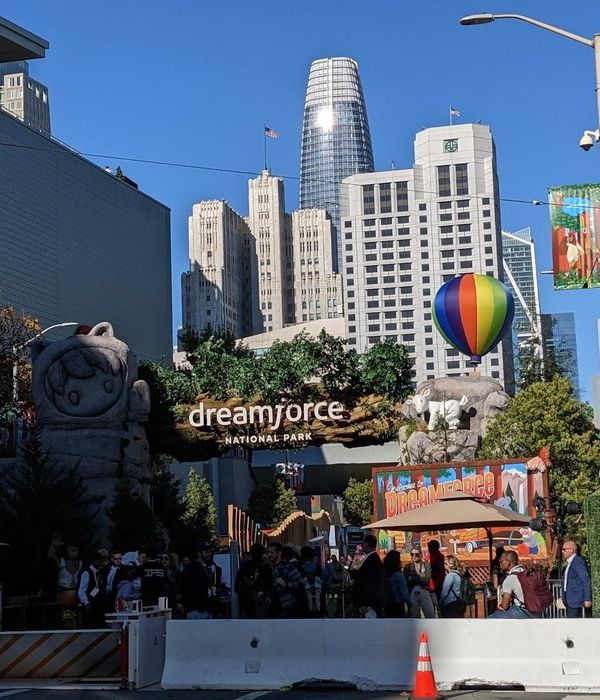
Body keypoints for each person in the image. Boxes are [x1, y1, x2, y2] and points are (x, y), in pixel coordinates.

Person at [488, 550, 540, 619]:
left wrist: (500, 605)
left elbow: (505, 606)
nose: (499, 563)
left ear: (508, 562)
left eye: (501, 561)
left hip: (522, 612)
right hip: (537, 611)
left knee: (489, 619)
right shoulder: (525, 573)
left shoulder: (510, 579)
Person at [181, 542, 222, 619]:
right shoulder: (192, 568)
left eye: (210, 551)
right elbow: (185, 587)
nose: (209, 554)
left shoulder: (212, 567)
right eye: (206, 552)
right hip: (196, 608)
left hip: (210, 608)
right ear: (199, 553)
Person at [266, 542, 304, 618]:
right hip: (276, 609)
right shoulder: (271, 568)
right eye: (268, 553)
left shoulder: (288, 567)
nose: (269, 555)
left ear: (279, 553)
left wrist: (286, 584)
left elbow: (301, 583)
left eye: (272, 553)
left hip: (288, 608)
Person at [352, 534, 385, 618]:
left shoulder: (372, 560)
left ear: (366, 544)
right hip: (371, 601)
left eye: (363, 543)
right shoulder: (371, 558)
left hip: (370, 603)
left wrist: (364, 603)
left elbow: (368, 583)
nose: (362, 545)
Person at [234, 543, 269, 618]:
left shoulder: (243, 568)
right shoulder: (266, 568)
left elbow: (236, 588)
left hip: (246, 606)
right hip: (263, 606)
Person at [77, 549, 109, 628]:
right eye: (99, 561)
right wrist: (86, 603)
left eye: (101, 561)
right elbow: (81, 591)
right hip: (89, 605)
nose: (100, 563)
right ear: (94, 561)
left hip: (98, 605)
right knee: (90, 626)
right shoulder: (87, 573)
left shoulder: (99, 572)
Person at [560, 541, 592, 618]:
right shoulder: (570, 563)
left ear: (571, 550)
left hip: (576, 600)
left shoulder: (577, 562)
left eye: (564, 549)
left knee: (574, 623)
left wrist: (587, 598)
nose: (562, 551)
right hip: (570, 600)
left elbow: (585, 579)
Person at [403, 546, 435, 619]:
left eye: (416, 554)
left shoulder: (426, 564)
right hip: (412, 592)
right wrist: (420, 576)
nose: (414, 556)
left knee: (430, 616)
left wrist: (412, 578)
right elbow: (406, 581)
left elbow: (426, 580)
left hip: (424, 591)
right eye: (412, 554)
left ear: (420, 554)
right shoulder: (407, 566)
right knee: (414, 618)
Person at [299, 546, 324, 617]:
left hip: (303, 602)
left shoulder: (299, 566)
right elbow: (327, 579)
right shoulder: (318, 567)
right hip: (319, 601)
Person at [383, 550, 409, 618]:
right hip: (397, 605)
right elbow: (405, 595)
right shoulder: (398, 575)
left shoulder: (384, 574)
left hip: (386, 605)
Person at [426, 539, 445, 611]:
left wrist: (429, 566)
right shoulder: (430, 555)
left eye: (429, 547)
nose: (428, 549)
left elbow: (438, 568)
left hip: (437, 583)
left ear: (433, 547)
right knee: (431, 605)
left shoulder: (439, 556)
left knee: (439, 604)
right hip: (430, 583)